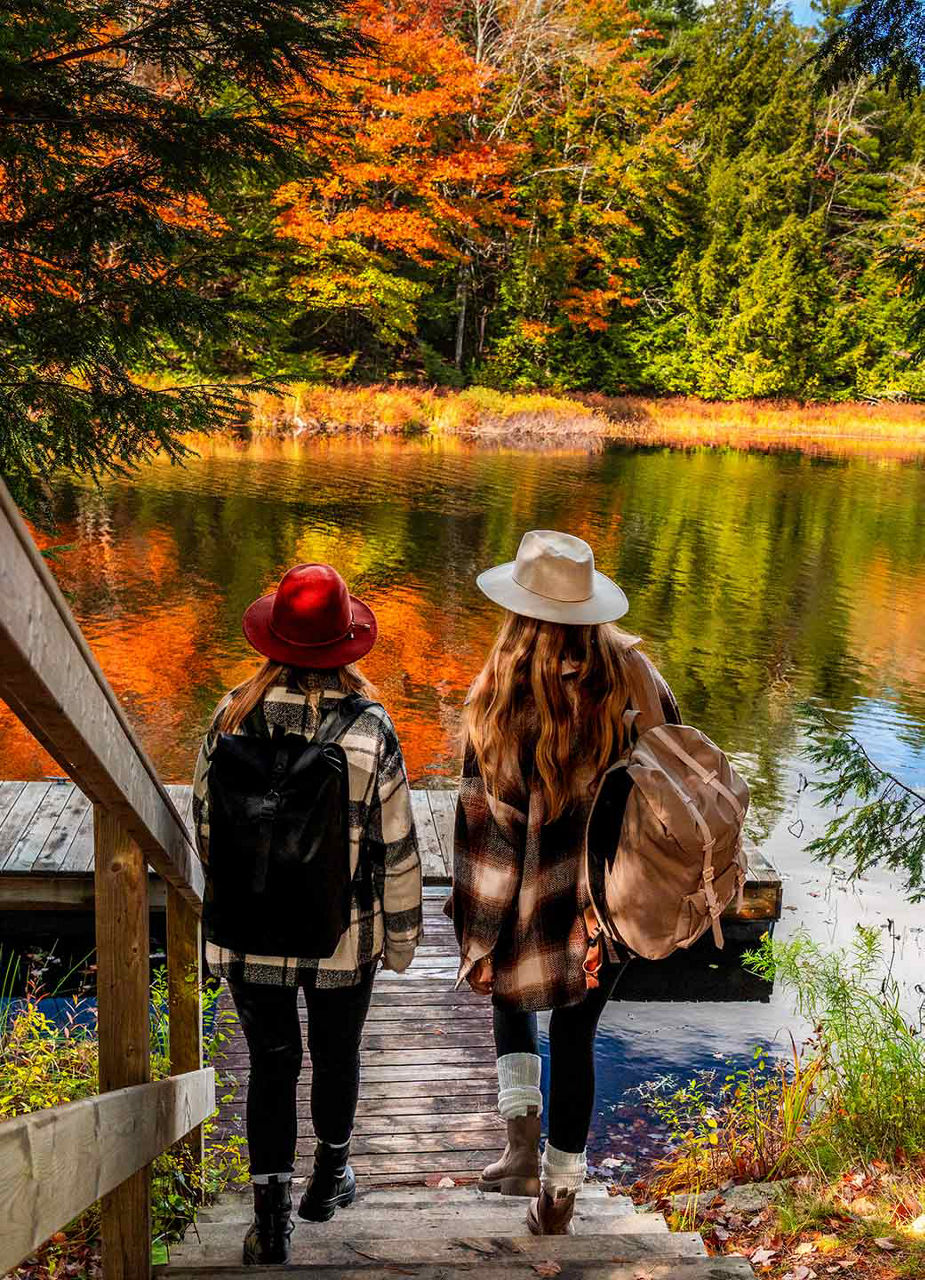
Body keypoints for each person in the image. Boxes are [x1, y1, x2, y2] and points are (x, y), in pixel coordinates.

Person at [448, 530, 680, 1236]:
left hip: (527, 891)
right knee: (577, 1035)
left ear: (519, 608)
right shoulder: (639, 677)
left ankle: (520, 1147)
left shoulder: (498, 691)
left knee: (508, 997)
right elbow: (676, 776)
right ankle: (558, 1201)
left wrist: (478, 936)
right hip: (614, 895)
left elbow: (483, 832)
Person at [193, 563, 422, 1265]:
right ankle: (327, 1182)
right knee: (334, 1054)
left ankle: (270, 1223)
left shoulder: (230, 714)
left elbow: (205, 827)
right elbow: (399, 845)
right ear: (346, 643)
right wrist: (402, 939)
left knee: (270, 1062)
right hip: (341, 939)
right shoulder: (369, 729)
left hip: (250, 932)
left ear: (272, 639)